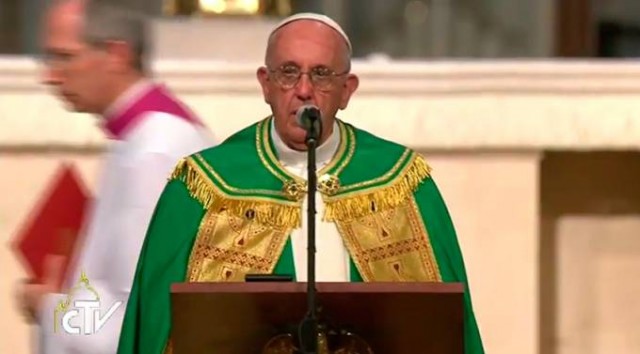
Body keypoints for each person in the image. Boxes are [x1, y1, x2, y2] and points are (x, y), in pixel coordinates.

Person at [117, 12, 484, 354]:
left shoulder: (398, 180)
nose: (304, 90)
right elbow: (156, 324)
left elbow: (444, 325)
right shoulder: (205, 186)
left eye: (322, 74)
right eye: (289, 72)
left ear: (347, 90)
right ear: (266, 84)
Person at [15, 0, 215, 353]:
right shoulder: (143, 136)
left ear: (117, 55)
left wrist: (48, 307)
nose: (50, 75)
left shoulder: (155, 149)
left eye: (64, 57)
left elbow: (136, 317)